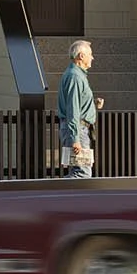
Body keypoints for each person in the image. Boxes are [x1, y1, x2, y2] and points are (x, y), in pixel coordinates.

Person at [57, 39, 103, 179]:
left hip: (77, 130)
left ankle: (57, 197)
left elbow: (76, 102)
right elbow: (73, 109)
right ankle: (51, 194)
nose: (92, 57)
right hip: (78, 130)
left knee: (77, 172)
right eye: (90, 54)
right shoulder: (75, 77)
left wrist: (93, 103)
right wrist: (75, 138)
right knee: (82, 174)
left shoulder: (76, 75)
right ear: (81, 56)